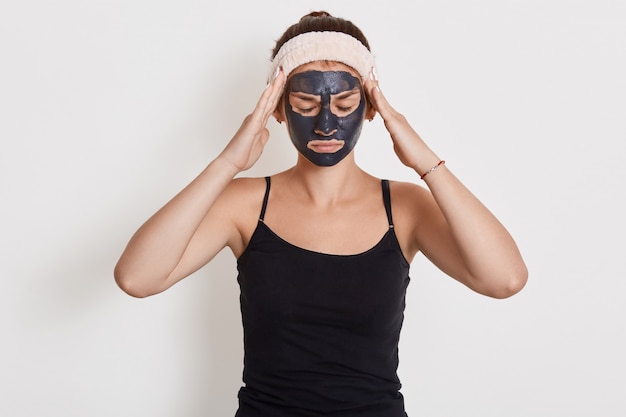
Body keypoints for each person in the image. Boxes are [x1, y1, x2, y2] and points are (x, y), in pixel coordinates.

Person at [114, 10, 528, 417]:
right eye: (305, 103)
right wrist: (228, 163)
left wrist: (426, 163)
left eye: (346, 102)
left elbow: (504, 279)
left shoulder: (404, 207)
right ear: (277, 109)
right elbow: (137, 278)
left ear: (370, 109)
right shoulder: (243, 204)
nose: (326, 124)